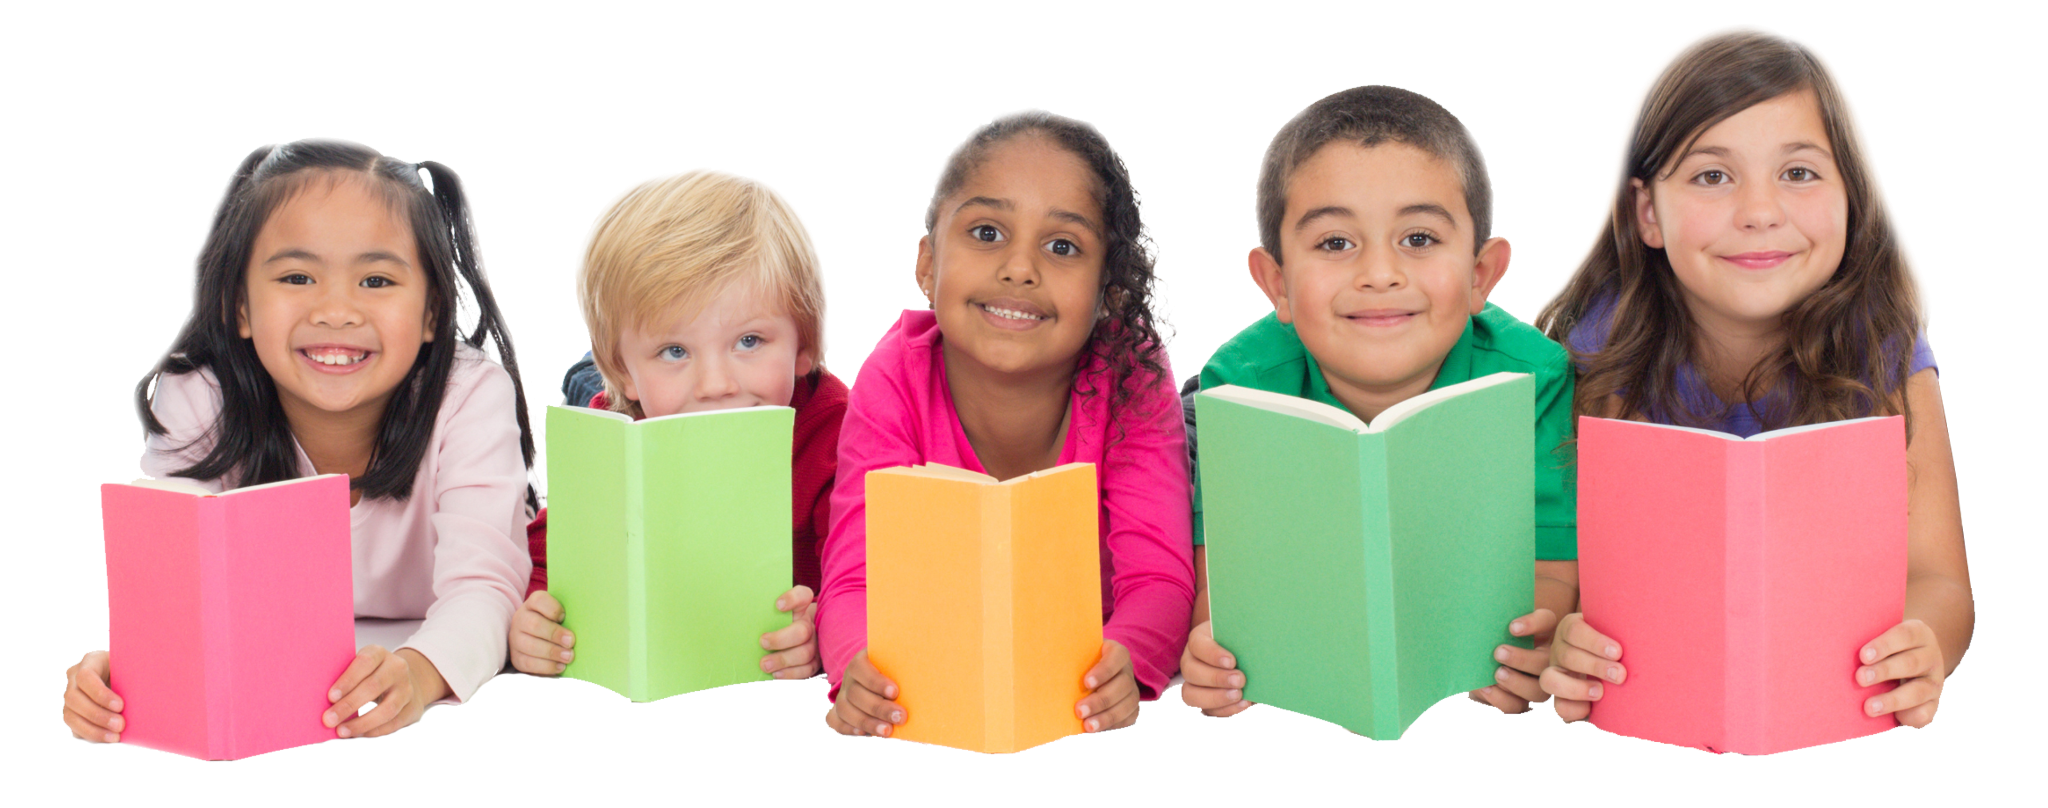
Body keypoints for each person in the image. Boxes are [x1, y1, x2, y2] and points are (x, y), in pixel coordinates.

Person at [1533, 24, 1969, 730]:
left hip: (1830, 705)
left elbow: (1940, 580)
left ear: (1851, 196)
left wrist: (1922, 647)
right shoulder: (1601, 349)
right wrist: (1563, 637)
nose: (1760, 213)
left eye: (1798, 172)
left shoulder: (1883, 347)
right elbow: (1563, 573)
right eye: (1712, 176)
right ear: (1648, 212)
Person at [64, 137, 540, 742]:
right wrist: (132, 668)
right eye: (297, 276)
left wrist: (420, 675)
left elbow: (487, 586)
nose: (336, 310)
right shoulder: (201, 395)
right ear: (240, 306)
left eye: (375, 280)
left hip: (431, 638)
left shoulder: (468, 394)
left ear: (430, 313)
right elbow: (179, 585)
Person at [1178, 85, 1580, 719]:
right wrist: (1214, 657)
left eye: (1418, 239)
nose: (1380, 273)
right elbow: (1220, 587)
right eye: (1336, 243)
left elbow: (1554, 564)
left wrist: (1534, 641)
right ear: (1276, 283)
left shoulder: (1537, 378)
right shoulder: (1237, 385)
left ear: (1481, 274)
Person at [817, 108, 1194, 738]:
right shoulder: (892, 378)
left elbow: (1158, 575)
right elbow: (855, 576)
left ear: (1109, 291)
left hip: (1074, 687)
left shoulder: (1132, 377)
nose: (1020, 268)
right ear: (928, 264)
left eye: (1062, 246)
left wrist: (1128, 657)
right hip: (938, 686)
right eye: (987, 233)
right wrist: (856, 664)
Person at [512, 168, 843, 681]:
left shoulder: (837, 433)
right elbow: (550, 560)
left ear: (802, 345)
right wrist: (536, 619)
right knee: (591, 396)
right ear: (626, 371)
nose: (716, 384)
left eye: (749, 341)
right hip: (636, 404)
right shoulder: (619, 437)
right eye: (675, 349)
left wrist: (822, 631)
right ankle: (596, 373)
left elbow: (861, 576)